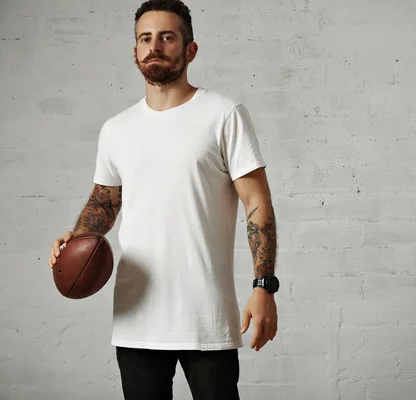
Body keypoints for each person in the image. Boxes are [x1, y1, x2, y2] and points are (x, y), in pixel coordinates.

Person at [47, 0, 280, 398]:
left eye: (167, 37)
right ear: (135, 51)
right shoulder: (117, 129)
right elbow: (104, 203)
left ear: (190, 50)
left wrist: (264, 286)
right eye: (145, 38)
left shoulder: (223, 115)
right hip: (137, 318)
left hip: (206, 318)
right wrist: (78, 239)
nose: (154, 46)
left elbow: (257, 203)